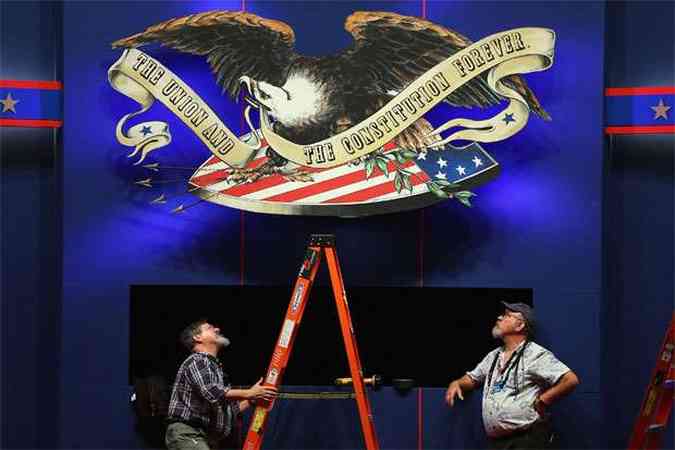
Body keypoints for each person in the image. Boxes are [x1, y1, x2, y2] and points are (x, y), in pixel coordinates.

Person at [445, 302, 580, 449]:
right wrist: (457, 383)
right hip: (498, 442)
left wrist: (543, 400)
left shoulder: (535, 354)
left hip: (527, 440)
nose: (499, 318)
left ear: (520, 325)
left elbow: (570, 380)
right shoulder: (494, 356)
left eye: (507, 315)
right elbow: (472, 378)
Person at [165, 320, 278, 450]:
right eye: (210, 328)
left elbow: (227, 411)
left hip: (203, 437)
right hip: (188, 433)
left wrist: (251, 400)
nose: (217, 329)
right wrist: (249, 393)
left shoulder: (213, 367)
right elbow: (211, 392)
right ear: (197, 337)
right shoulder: (198, 360)